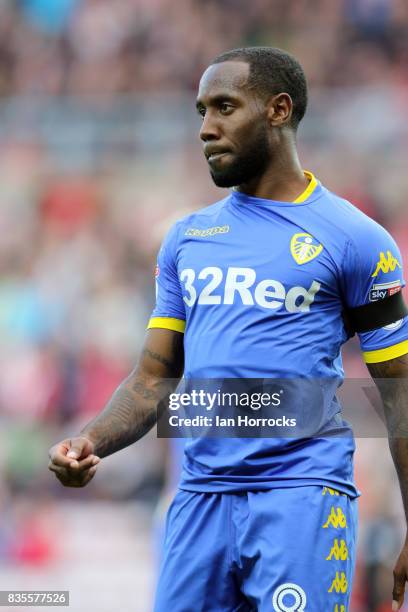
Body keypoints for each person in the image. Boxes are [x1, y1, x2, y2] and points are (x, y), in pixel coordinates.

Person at [48, 47, 408, 611]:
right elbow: (152, 378)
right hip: (198, 501)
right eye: (200, 113)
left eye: (224, 107)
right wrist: (91, 440)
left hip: (301, 496)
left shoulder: (355, 239)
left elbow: (399, 391)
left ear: (278, 110)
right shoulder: (187, 240)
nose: (206, 129)